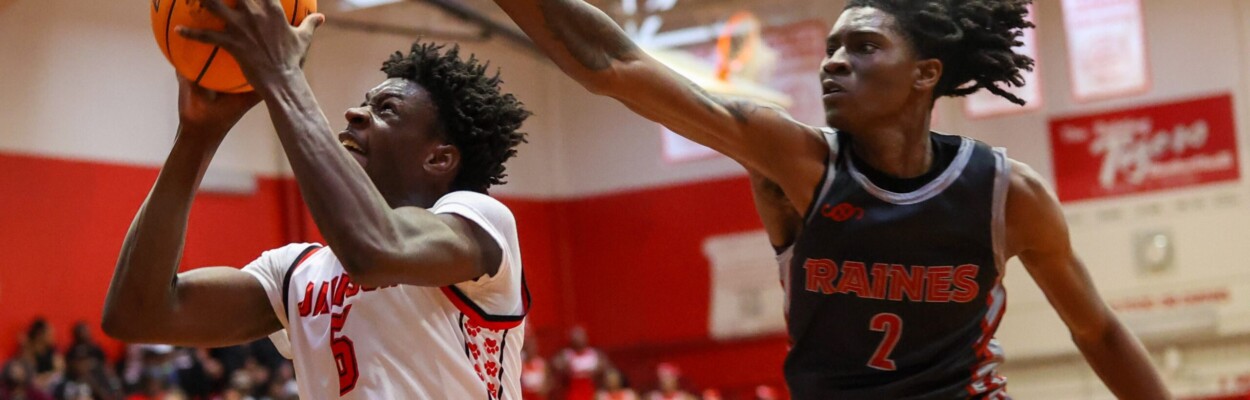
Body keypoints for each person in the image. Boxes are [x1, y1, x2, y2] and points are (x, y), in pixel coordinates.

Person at [489, 0, 1171, 398]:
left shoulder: (1006, 192)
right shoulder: (796, 160)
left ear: (924, 75)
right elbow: (619, 68)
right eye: (831, 47)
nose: (833, 61)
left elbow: (1098, 330)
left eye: (864, 46)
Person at [101, 0, 532, 398]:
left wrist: (285, 77)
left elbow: (375, 251)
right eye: (364, 102)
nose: (355, 113)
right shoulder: (298, 272)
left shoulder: (481, 222)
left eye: (386, 110)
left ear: (438, 158)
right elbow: (137, 314)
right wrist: (196, 137)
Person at [553, 326, 609, 400]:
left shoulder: (594, 354)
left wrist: (597, 370)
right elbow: (555, 366)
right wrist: (565, 367)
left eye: (580, 336)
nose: (579, 339)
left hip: (590, 388)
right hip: (573, 389)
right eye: (576, 336)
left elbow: (604, 367)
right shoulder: (567, 354)